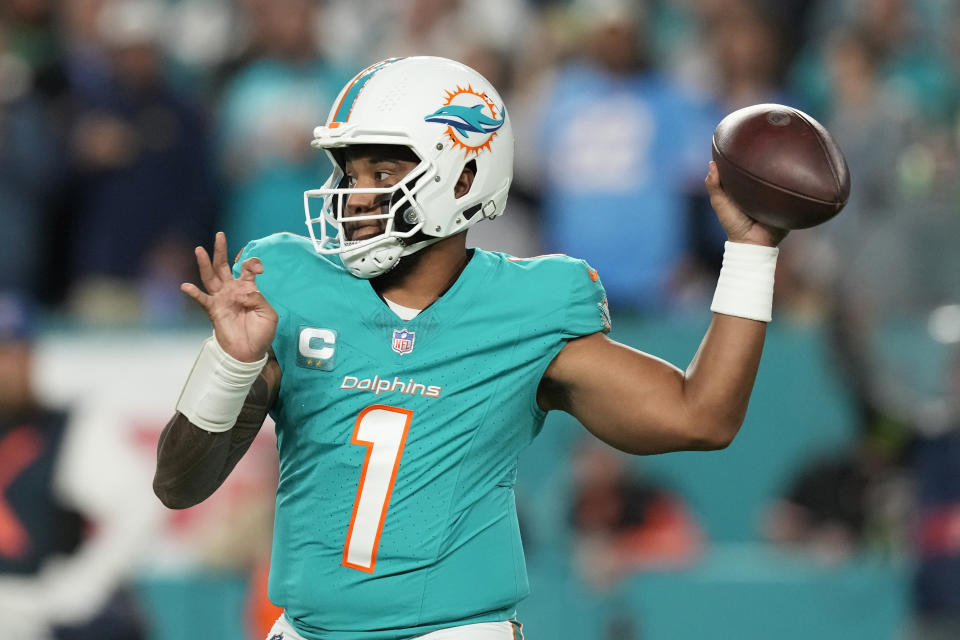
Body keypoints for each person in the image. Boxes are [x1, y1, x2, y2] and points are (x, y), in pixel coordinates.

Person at [153, 56, 786, 639]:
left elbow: (700, 417)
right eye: (349, 170)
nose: (356, 194)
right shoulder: (289, 284)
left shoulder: (527, 308)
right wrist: (231, 364)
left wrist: (752, 253)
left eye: (383, 170)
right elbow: (179, 485)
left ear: (464, 177)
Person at [0, 291, 151, 639]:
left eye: (14, 352)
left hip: (31, 608)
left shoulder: (65, 428)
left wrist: (86, 582)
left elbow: (142, 503)